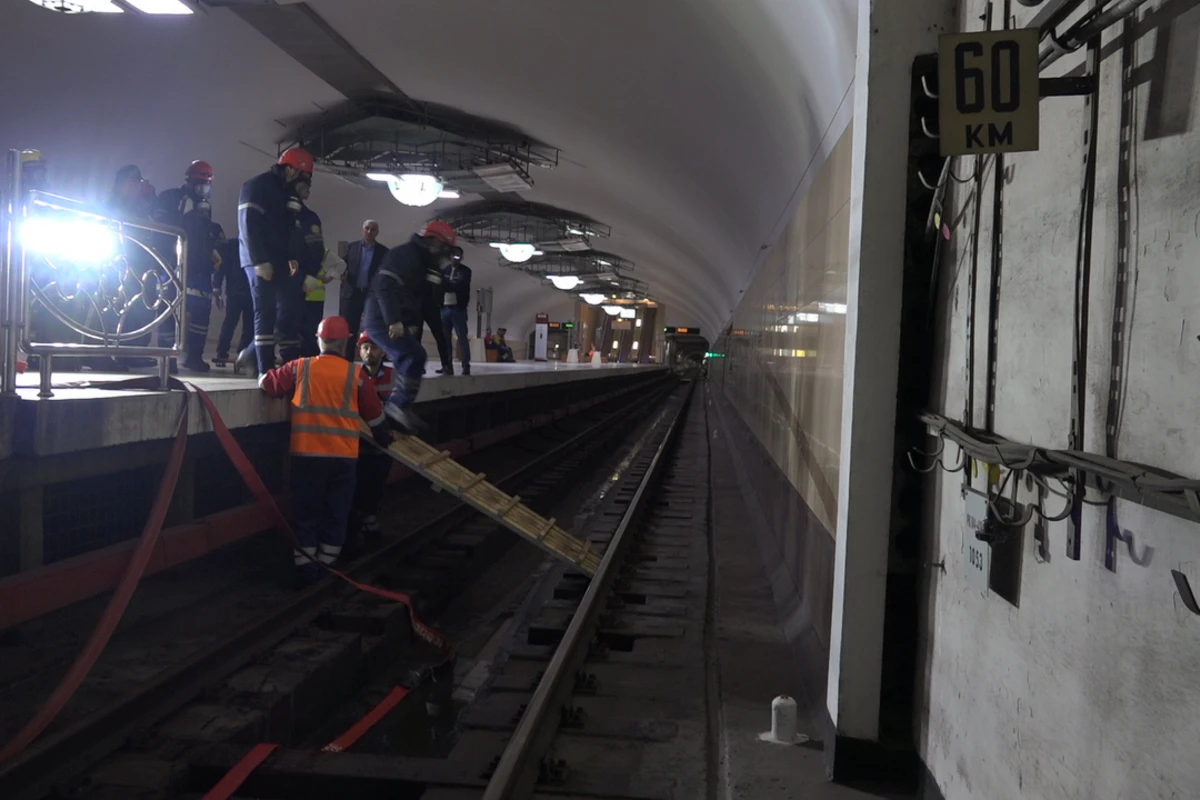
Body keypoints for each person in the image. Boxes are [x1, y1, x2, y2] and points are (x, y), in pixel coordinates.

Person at [257, 315, 392, 587]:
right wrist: (384, 436)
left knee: (306, 512)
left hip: (307, 456)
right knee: (336, 512)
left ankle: (306, 571)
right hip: (343, 459)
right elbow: (375, 416)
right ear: (345, 344)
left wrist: (261, 371)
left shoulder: (300, 367)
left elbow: (268, 385)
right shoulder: (357, 375)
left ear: (319, 340)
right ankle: (327, 569)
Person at [360, 220, 457, 433]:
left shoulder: (423, 262)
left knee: (414, 356)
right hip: (381, 318)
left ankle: (401, 405)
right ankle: (397, 405)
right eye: (444, 248)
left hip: (391, 318)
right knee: (412, 356)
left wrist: (411, 323)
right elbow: (385, 286)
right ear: (433, 241)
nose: (444, 254)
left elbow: (419, 299)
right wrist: (393, 320)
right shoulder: (404, 256)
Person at [235, 147, 313, 376]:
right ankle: (265, 370)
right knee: (265, 312)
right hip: (258, 259)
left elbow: (291, 233)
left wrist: (295, 263)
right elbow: (248, 223)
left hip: (279, 261)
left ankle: (252, 357)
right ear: (289, 170)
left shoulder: (287, 193)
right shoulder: (257, 186)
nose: (305, 183)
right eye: (303, 177)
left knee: (288, 309)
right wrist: (259, 260)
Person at [152, 160, 224, 372]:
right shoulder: (171, 198)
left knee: (201, 309)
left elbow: (202, 234)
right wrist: (185, 212)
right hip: (172, 263)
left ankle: (194, 356)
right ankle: (168, 358)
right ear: (189, 180)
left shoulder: (204, 206)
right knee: (169, 308)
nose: (203, 188)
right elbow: (162, 231)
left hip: (199, 266)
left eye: (207, 184)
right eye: (200, 182)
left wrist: (212, 252)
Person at [351, 331, 395, 549]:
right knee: (357, 489)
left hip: (382, 446)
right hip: (358, 446)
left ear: (383, 351)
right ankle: (364, 526)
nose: (369, 352)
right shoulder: (353, 376)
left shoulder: (393, 377)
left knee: (375, 488)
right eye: (365, 347)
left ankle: (368, 523)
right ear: (359, 351)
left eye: (374, 347)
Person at [291, 186, 346, 356]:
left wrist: (328, 278)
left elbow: (341, 265)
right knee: (298, 329)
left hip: (315, 296)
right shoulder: (295, 254)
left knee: (310, 330)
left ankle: (309, 356)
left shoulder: (321, 253)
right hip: (301, 294)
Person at [340, 220, 387, 353]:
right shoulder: (351, 247)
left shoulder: (383, 252)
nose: (369, 231)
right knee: (349, 329)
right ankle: (348, 360)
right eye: (367, 228)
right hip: (352, 294)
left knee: (374, 327)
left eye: (372, 229)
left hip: (371, 295)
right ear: (362, 230)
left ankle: (375, 357)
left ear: (377, 232)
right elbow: (341, 266)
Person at [213, 236, 253, 367]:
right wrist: (217, 286)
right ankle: (226, 352)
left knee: (242, 324)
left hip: (242, 291)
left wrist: (217, 286)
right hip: (240, 291)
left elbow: (222, 266)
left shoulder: (234, 245)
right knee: (234, 323)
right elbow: (223, 265)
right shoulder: (234, 245)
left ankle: (238, 353)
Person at [440, 246, 472, 375]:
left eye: (458, 257)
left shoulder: (466, 271)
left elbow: (460, 286)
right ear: (450, 256)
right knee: (445, 339)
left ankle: (466, 365)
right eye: (453, 256)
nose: (455, 259)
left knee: (462, 337)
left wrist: (446, 284)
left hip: (458, 308)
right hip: (445, 308)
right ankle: (447, 365)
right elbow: (439, 286)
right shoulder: (444, 270)